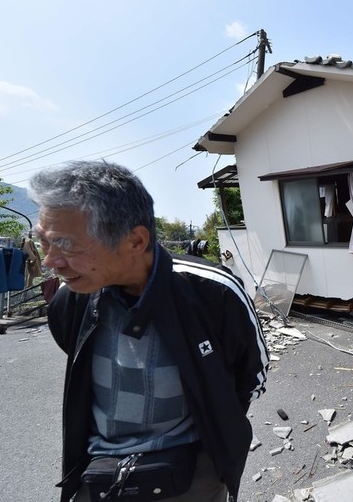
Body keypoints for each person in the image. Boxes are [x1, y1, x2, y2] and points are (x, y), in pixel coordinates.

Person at [29, 160, 268, 502]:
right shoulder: (71, 301)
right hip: (98, 473)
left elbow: (252, 373)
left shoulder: (212, 293)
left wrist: (215, 423)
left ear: (136, 240)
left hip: (192, 476)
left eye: (66, 244)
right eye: (43, 243)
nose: (51, 261)